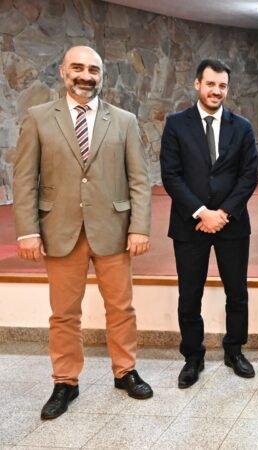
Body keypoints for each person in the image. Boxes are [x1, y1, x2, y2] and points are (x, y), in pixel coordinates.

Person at [13, 46, 153, 420]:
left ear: (101, 75)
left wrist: (139, 227)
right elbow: (24, 180)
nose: (86, 76)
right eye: (78, 68)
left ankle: (125, 371)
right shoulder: (39, 118)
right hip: (60, 231)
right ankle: (65, 382)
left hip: (113, 229)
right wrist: (27, 231)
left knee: (121, 308)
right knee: (63, 314)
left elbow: (140, 180)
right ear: (63, 72)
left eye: (93, 70)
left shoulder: (123, 121)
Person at [160, 59, 258, 388]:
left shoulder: (242, 127)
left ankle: (235, 350)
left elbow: (248, 177)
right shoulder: (176, 124)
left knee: (237, 292)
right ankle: (193, 356)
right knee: (190, 295)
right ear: (197, 85)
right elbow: (171, 176)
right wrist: (202, 212)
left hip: (232, 224)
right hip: (190, 225)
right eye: (211, 84)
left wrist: (223, 214)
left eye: (222, 86)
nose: (217, 91)